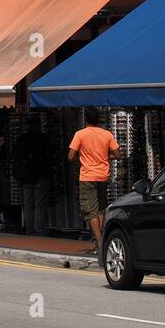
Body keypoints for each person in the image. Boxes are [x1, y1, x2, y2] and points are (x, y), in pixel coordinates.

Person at [68, 108, 120, 256]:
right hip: (103, 176)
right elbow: (117, 154)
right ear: (99, 120)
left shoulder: (80, 134)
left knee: (90, 212)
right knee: (101, 209)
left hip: (87, 176)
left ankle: (100, 243)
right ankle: (99, 242)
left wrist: (83, 159)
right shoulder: (107, 134)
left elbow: (71, 156)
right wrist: (104, 157)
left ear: (86, 120)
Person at [20, 123, 49, 235]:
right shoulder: (42, 138)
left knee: (28, 203)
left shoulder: (23, 139)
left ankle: (29, 229)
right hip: (41, 174)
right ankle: (39, 229)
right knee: (39, 203)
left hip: (27, 176)